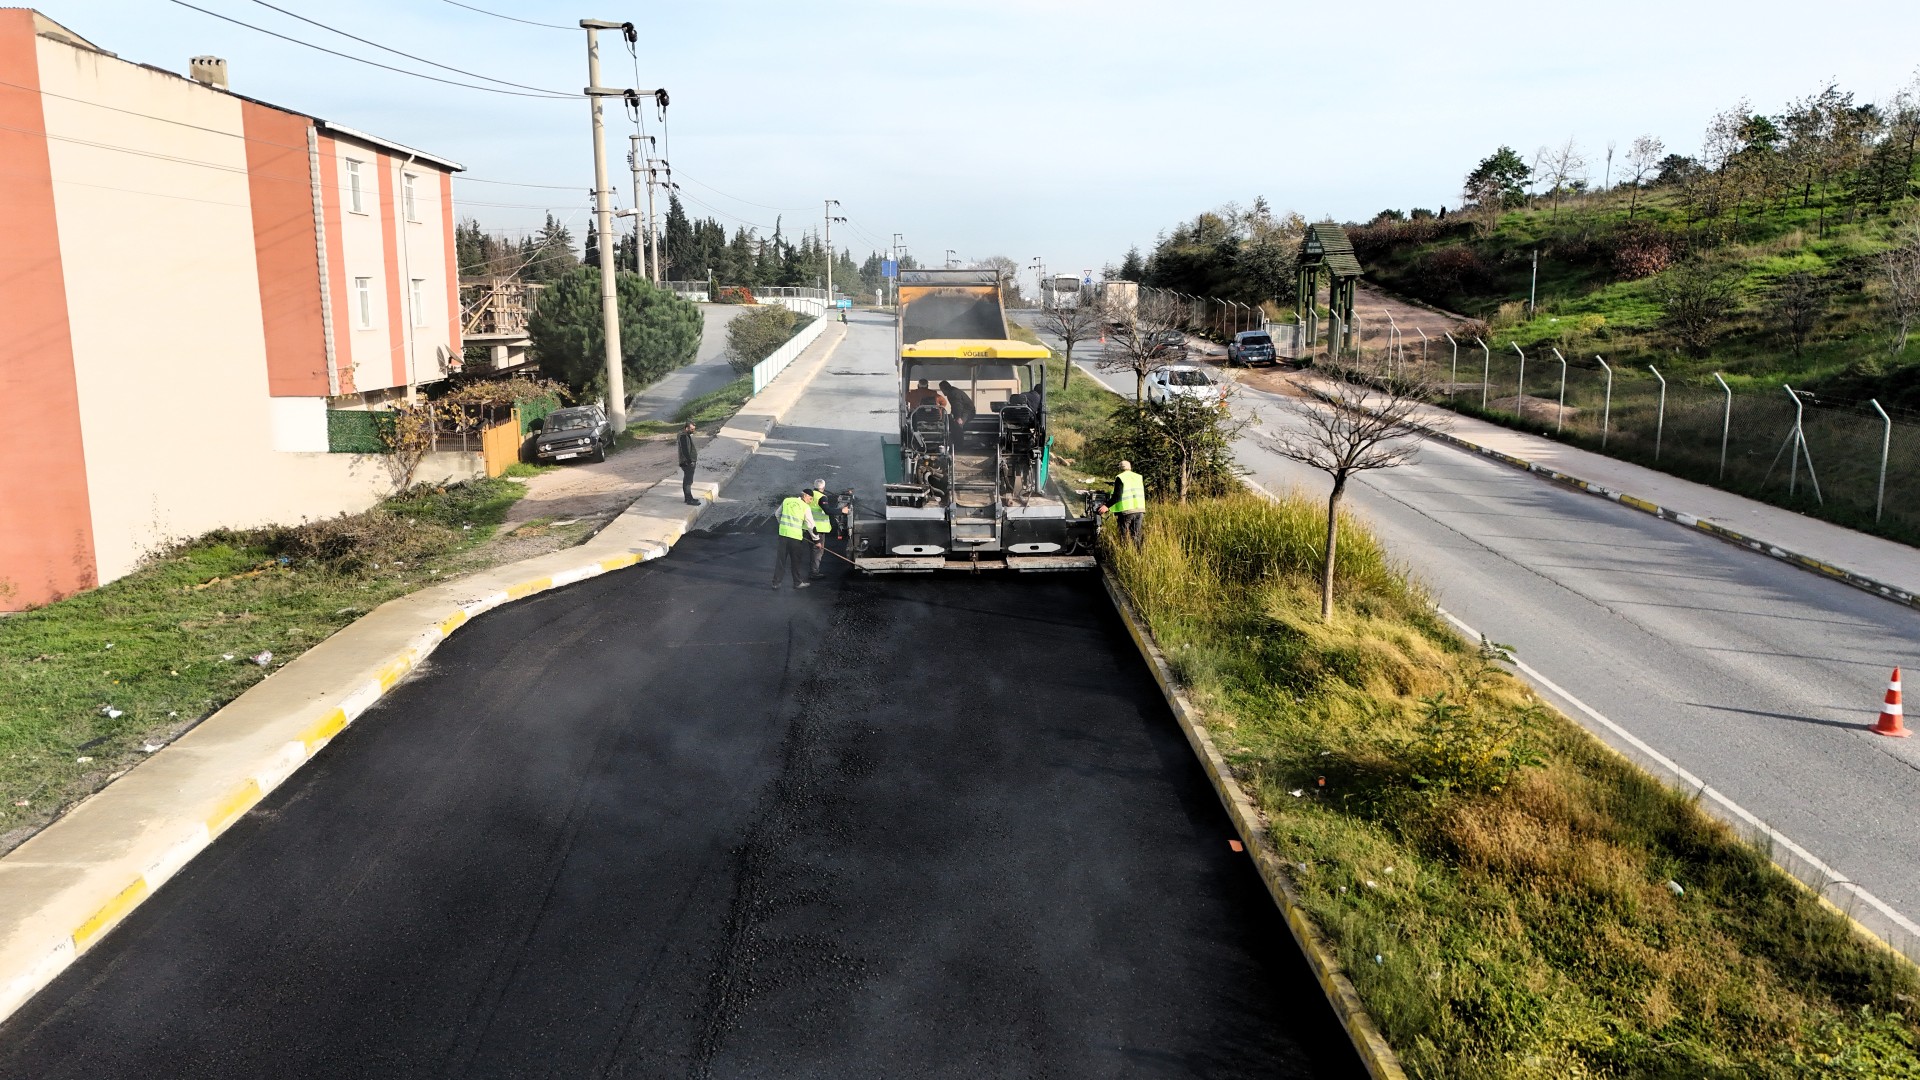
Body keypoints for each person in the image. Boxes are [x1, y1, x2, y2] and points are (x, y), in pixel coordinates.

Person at [771, 486, 816, 590]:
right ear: (805, 496)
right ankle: (797, 583)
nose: (810, 501)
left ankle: (776, 583)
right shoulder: (805, 507)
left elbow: (777, 514)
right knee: (796, 561)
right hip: (795, 538)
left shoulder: (787, 500)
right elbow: (811, 526)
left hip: (783, 535)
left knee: (781, 560)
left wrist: (783, 525)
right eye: (810, 498)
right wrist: (816, 539)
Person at [1100, 459, 1146, 546]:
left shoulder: (1120, 477)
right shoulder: (1138, 477)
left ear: (1120, 468)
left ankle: (1125, 553)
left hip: (1126, 511)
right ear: (1130, 467)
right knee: (1136, 536)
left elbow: (1118, 496)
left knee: (1124, 536)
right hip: (1139, 510)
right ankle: (1138, 555)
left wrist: (1106, 506)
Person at [805, 480, 833, 579]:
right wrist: (842, 511)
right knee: (817, 550)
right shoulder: (822, 497)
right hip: (818, 529)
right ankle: (814, 572)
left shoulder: (809, 495)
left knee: (813, 550)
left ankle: (813, 570)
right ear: (823, 487)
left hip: (808, 527)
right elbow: (828, 511)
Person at [677, 421, 699, 505]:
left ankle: (689, 498)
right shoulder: (683, 436)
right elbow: (685, 450)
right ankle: (689, 499)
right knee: (688, 481)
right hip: (687, 462)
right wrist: (689, 461)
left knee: (688, 481)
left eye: (694, 429)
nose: (693, 431)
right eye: (692, 429)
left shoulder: (685, 435)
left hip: (688, 461)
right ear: (686, 428)